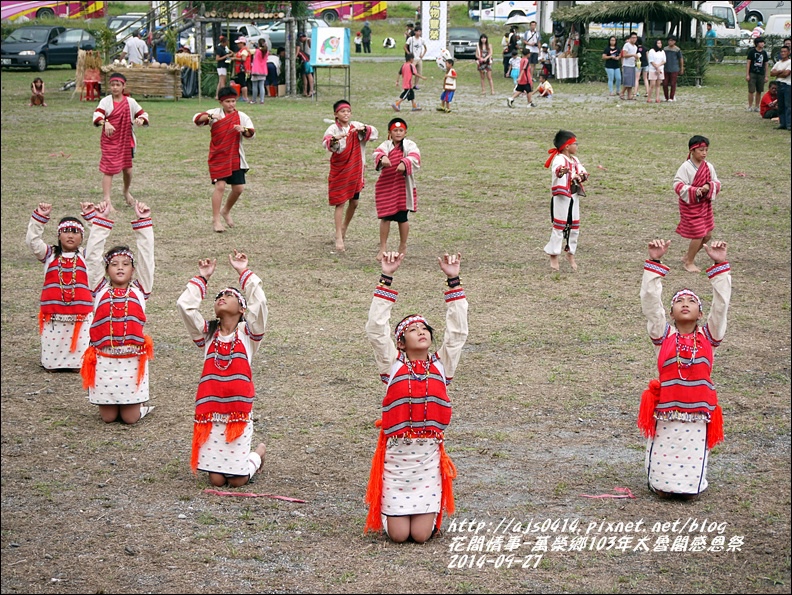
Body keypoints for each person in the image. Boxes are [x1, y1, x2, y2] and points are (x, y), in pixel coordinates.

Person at [364, 251, 468, 543]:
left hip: (427, 458)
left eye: (424, 328)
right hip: (397, 459)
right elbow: (375, 329)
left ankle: (426, 514)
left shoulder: (441, 365)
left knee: (421, 537)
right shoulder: (392, 364)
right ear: (400, 340)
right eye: (412, 329)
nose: (421, 332)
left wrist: (453, 280)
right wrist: (387, 278)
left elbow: (458, 332)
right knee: (398, 536)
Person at [638, 238, 731, 500]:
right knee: (664, 451)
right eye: (680, 301)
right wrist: (654, 262)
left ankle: (690, 488)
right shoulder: (663, 335)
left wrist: (719, 264)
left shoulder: (710, 336)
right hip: (667, 408)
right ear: (671, 311)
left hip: (699, 410)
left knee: (693, 451)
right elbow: (650, 303)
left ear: (701, 313)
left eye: (692, 301)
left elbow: (721, 307)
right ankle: (661, 485)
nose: (686, 303)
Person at [177, 250, 268, 488]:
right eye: (218, 296)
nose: (222, 297)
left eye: (229, 295)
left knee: (237, 481)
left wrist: (243, 272)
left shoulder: (248, 334)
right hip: (212, 411)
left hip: (238, 412)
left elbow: (260, 305)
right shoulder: (208, 334)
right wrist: (202, 278)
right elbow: (185, 307)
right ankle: (237, 460)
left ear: (241, 308)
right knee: (216, 480)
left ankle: (257, 455)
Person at [80, 199, 154, 425]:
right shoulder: (99, 290)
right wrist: (100, 223)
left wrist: (143, 224)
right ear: (107, 269)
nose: (120, 267)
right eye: (114, 264)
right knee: (108, 418)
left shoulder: (141, 290)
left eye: (125, 264)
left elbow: (147, 259)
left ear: (133, 270)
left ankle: (141, 408)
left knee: (130, 419)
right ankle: (116, 402)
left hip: (132, 360)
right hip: (105, 361)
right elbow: (92, 258)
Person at [26, 203, 93, 370]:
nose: (70, 236)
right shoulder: (49, 254)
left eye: (75, 232)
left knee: (80, 344)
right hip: (54, 315)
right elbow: (33, 241)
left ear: (82, 237)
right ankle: (52, 363)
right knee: (52, 345)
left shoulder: (86, 255)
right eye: (66, 231)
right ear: (59, 235)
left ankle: (77, 363)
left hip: (81, 315)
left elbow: (97, 243)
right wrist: (39, 218)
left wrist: (91, 218)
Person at [193, 86, 255, 233]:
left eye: (233, 101)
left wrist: (243, 130)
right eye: (227, 101)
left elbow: (252, 133)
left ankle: (225, 210)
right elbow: (196, 119)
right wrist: (210, 117)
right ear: (221, 102)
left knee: (238, 188)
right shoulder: (214, 113)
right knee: (220, 186)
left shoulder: (242, 117)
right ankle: (216, 220)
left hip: (235, 156)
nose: (231, 104)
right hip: (219, 156)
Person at [322, 99, 379, 253]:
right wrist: (334, 141)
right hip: (340, 171)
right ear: (336, 114)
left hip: (356, 170)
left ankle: (344, 226)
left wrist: (363, 130)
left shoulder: (356, 126)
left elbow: (373, 133)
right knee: (340, 202)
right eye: (342, 111)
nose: (346, 114)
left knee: (354, 202)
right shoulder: (332, 129)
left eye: (348, 111)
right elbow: (327, 143)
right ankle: (339, 236)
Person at [92, 72, 149, 210]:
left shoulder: (130, 102)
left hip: (126, 140)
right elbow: (98, 115)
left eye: (118, 85)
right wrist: (105, 123)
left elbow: (143, 114)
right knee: (109, 170)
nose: (115, 87)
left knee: (128, 171)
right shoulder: (105, 102)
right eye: (112, 85)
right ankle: (107, 201)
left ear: (124, 86)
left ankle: (125, 191)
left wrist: (140, 120)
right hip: (110, 141)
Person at [673, 135, 722, 273]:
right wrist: (694, 191)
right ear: (692, 150)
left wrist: (708, 186)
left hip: (704, 205)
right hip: (690, 205)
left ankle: (688, 256)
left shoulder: (709, 167)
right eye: (701, 150)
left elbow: (716, 182)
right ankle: (689, 262)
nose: (704, 153)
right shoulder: (685, 167)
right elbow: (678, 184)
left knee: (707, 234)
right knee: (699, 234)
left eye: (706, 150)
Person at [373, 118, 420, 259]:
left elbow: (415, 156)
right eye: (395, 130)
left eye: (401, 131)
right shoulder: (386, 145)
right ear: (390, 132)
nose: (398, 133)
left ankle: (403, 245)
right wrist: (382, 158)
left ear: (405, 132)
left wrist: (405, 162)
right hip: (387, 186)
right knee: (385, 218)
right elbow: (377, 153)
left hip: (402, 187)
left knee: (402, 218)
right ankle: (383, 247)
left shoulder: (410, 145)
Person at [543, 129, 588, 272]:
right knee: (559, 225)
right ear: (567, 146)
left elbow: (582, 171)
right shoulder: (559, 159)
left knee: (574, 225)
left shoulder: (575, 160)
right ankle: (554, 255)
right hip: (562, 196)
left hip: (573, 195)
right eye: (575, 143)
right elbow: (558, 171)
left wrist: (580, 176)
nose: (577, 146)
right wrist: (567, 172)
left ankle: (570, 253)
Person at [769, 45, 791, 131]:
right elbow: (771, 73)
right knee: (781, 105)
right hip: (779, 84)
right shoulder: (778, 63)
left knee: (788, 105)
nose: (782, 53)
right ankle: (783, 123)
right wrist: (780, 72)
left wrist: (777, 73)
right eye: (781, 52)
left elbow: (786, 74)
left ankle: (789, 124)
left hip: (787, 85)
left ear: (789, 52)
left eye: (785, 51)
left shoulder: (789, 62)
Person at [746, 37, 769, 112]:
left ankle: (757, 106)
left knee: (759, 90)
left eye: (763, 42)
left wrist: (766, 75)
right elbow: (748, 63)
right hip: (752, 73)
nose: (762, 44)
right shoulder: (752, 52)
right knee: (751, 90)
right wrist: (747, 74)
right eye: (760, 42)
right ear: (757, 43)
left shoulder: (764, 53)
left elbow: (766, 64)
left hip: (761, 74)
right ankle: (749, 106)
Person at [662, 35, 684, 102]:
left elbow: (681, 58)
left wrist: (681, 68)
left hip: (674, 68)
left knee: (673, 83)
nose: (670, 42)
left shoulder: (677, 49)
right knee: (665, 83)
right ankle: (666, 97)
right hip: (666, 68)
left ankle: (671, 97)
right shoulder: (665, 49)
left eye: (672, 40)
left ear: (674, 41)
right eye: (669, 40)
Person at [230, 37, 251, 103]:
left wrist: (235, 59)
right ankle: (244, 96)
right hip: (240, 69)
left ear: (242, 43)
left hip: (243, 69)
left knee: (243, 83)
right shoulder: (241, 50)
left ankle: (245, 97)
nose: (238, 45)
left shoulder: (244, 50)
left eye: (239, 43)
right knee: (242, 83)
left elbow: (243, 59)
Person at [250, 38, 269, 105]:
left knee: (254, 86)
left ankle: (254, 100)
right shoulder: (266, 52)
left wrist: (251, 43)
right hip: (263, 70)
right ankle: (262, 100)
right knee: (261, 86)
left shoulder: (256, 51)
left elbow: (249, 51)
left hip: (256, 70)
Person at [620, 32, 638, 100]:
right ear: (630, 38)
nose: (634, 39)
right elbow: (624, 55)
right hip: (626, 65)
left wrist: (636, 58)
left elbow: (634, 56)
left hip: (632, 65)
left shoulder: (635, 47)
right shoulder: (627, 45)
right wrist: (633, 55)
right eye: (633, 38)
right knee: (627, 81)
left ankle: (629, 95)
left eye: (635, 38)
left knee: (631, 82)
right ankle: (622, 93)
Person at [647, 38, 666, 104]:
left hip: (660, 69)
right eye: (658, 43)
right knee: (652, 84)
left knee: (658, 84)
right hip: (653, 69)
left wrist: (659, 66)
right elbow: (651, 61)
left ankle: (657, 98)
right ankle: (649, 98)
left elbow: (664, 61)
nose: (659, 44)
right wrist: (656, 67)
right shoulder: (652, 51)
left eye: (660, 43)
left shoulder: (662, 52)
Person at [298, 33, 314, 97]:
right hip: (306, 60)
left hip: (308, 60)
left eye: (301, 38)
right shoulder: (304, 43)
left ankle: (311, 90)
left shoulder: (308, 40)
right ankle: (305, 91)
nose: (300, 39)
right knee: (304, 75)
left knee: (309, 74)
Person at [214, 35, 230, 100]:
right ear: (223, 42)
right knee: (222, 81)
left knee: (221, 81)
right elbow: (217, 58)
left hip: (224, 66)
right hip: (221, 66)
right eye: (226, 42)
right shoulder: (219, 49)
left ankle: (217, 95)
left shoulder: (224, 48)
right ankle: (223, 95)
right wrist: (226, 56)